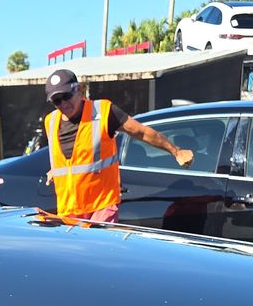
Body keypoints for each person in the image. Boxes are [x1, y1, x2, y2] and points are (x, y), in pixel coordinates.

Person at [35, 68, 195, 222]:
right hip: (68, 211)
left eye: (66, 96)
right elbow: (69, 157)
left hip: (101, 207)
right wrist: (55, 170)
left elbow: (141, 132)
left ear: (79, 90)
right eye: (56, 101)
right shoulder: (51, 121)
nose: (63, 104)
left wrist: (175, 151)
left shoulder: (103, 112)